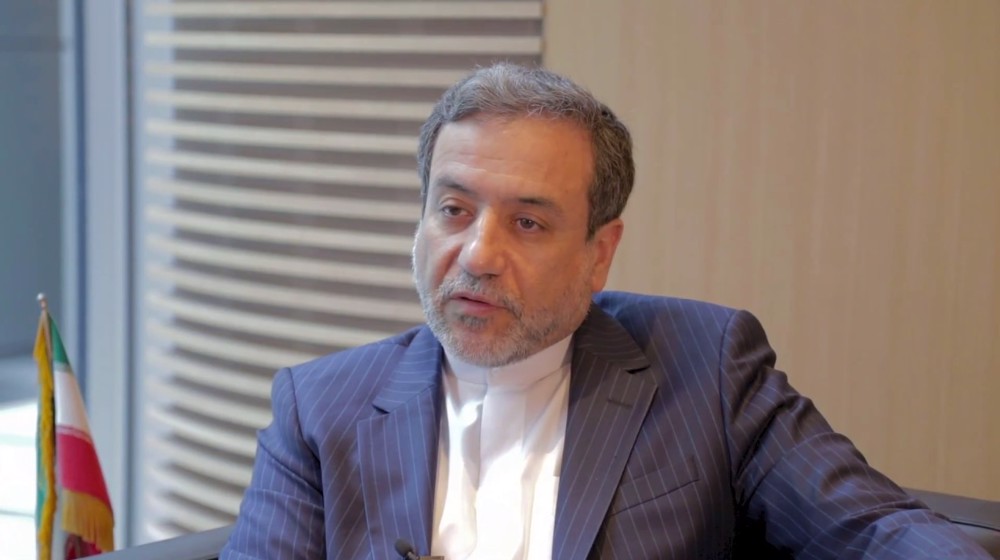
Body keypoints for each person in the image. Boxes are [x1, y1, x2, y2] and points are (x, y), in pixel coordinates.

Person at [221, 63, 990, 559]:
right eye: (453, 210)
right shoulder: (319, 408)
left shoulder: (707, 366)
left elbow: (875, 530)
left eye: (528, 222)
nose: (479, 254)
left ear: (599, 252)